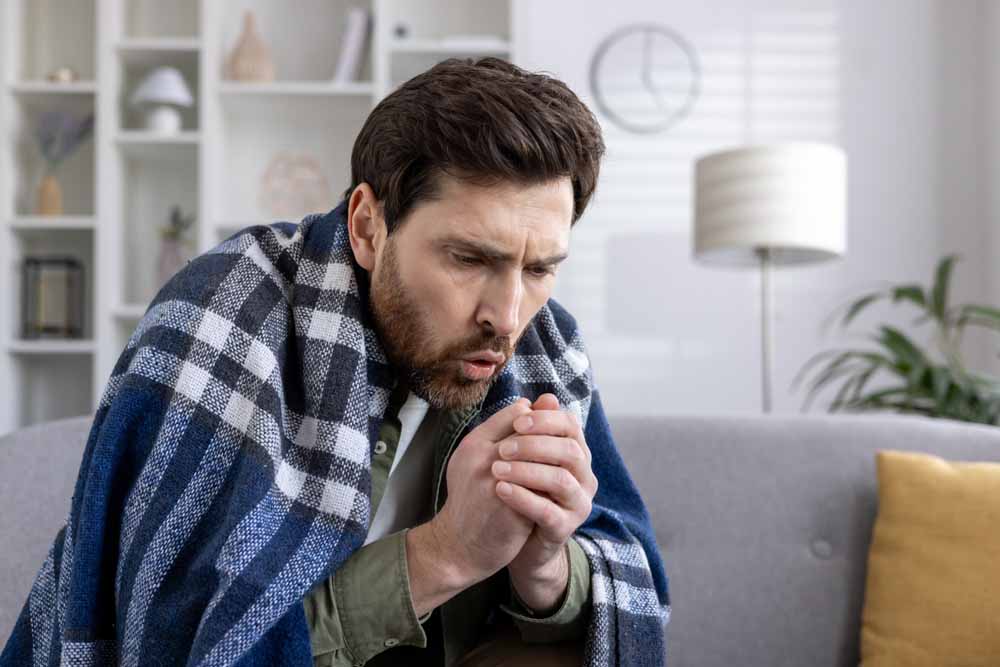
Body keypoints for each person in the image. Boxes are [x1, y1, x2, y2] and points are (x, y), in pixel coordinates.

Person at [0, 57, 669, 667]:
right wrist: (449, 550)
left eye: (542, 266)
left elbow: (620, 588)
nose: (509, 312)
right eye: (469, 258)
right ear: (367, 228)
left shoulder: (548, 347)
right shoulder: (223, 319)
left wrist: (546, 566)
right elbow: (179, 646)